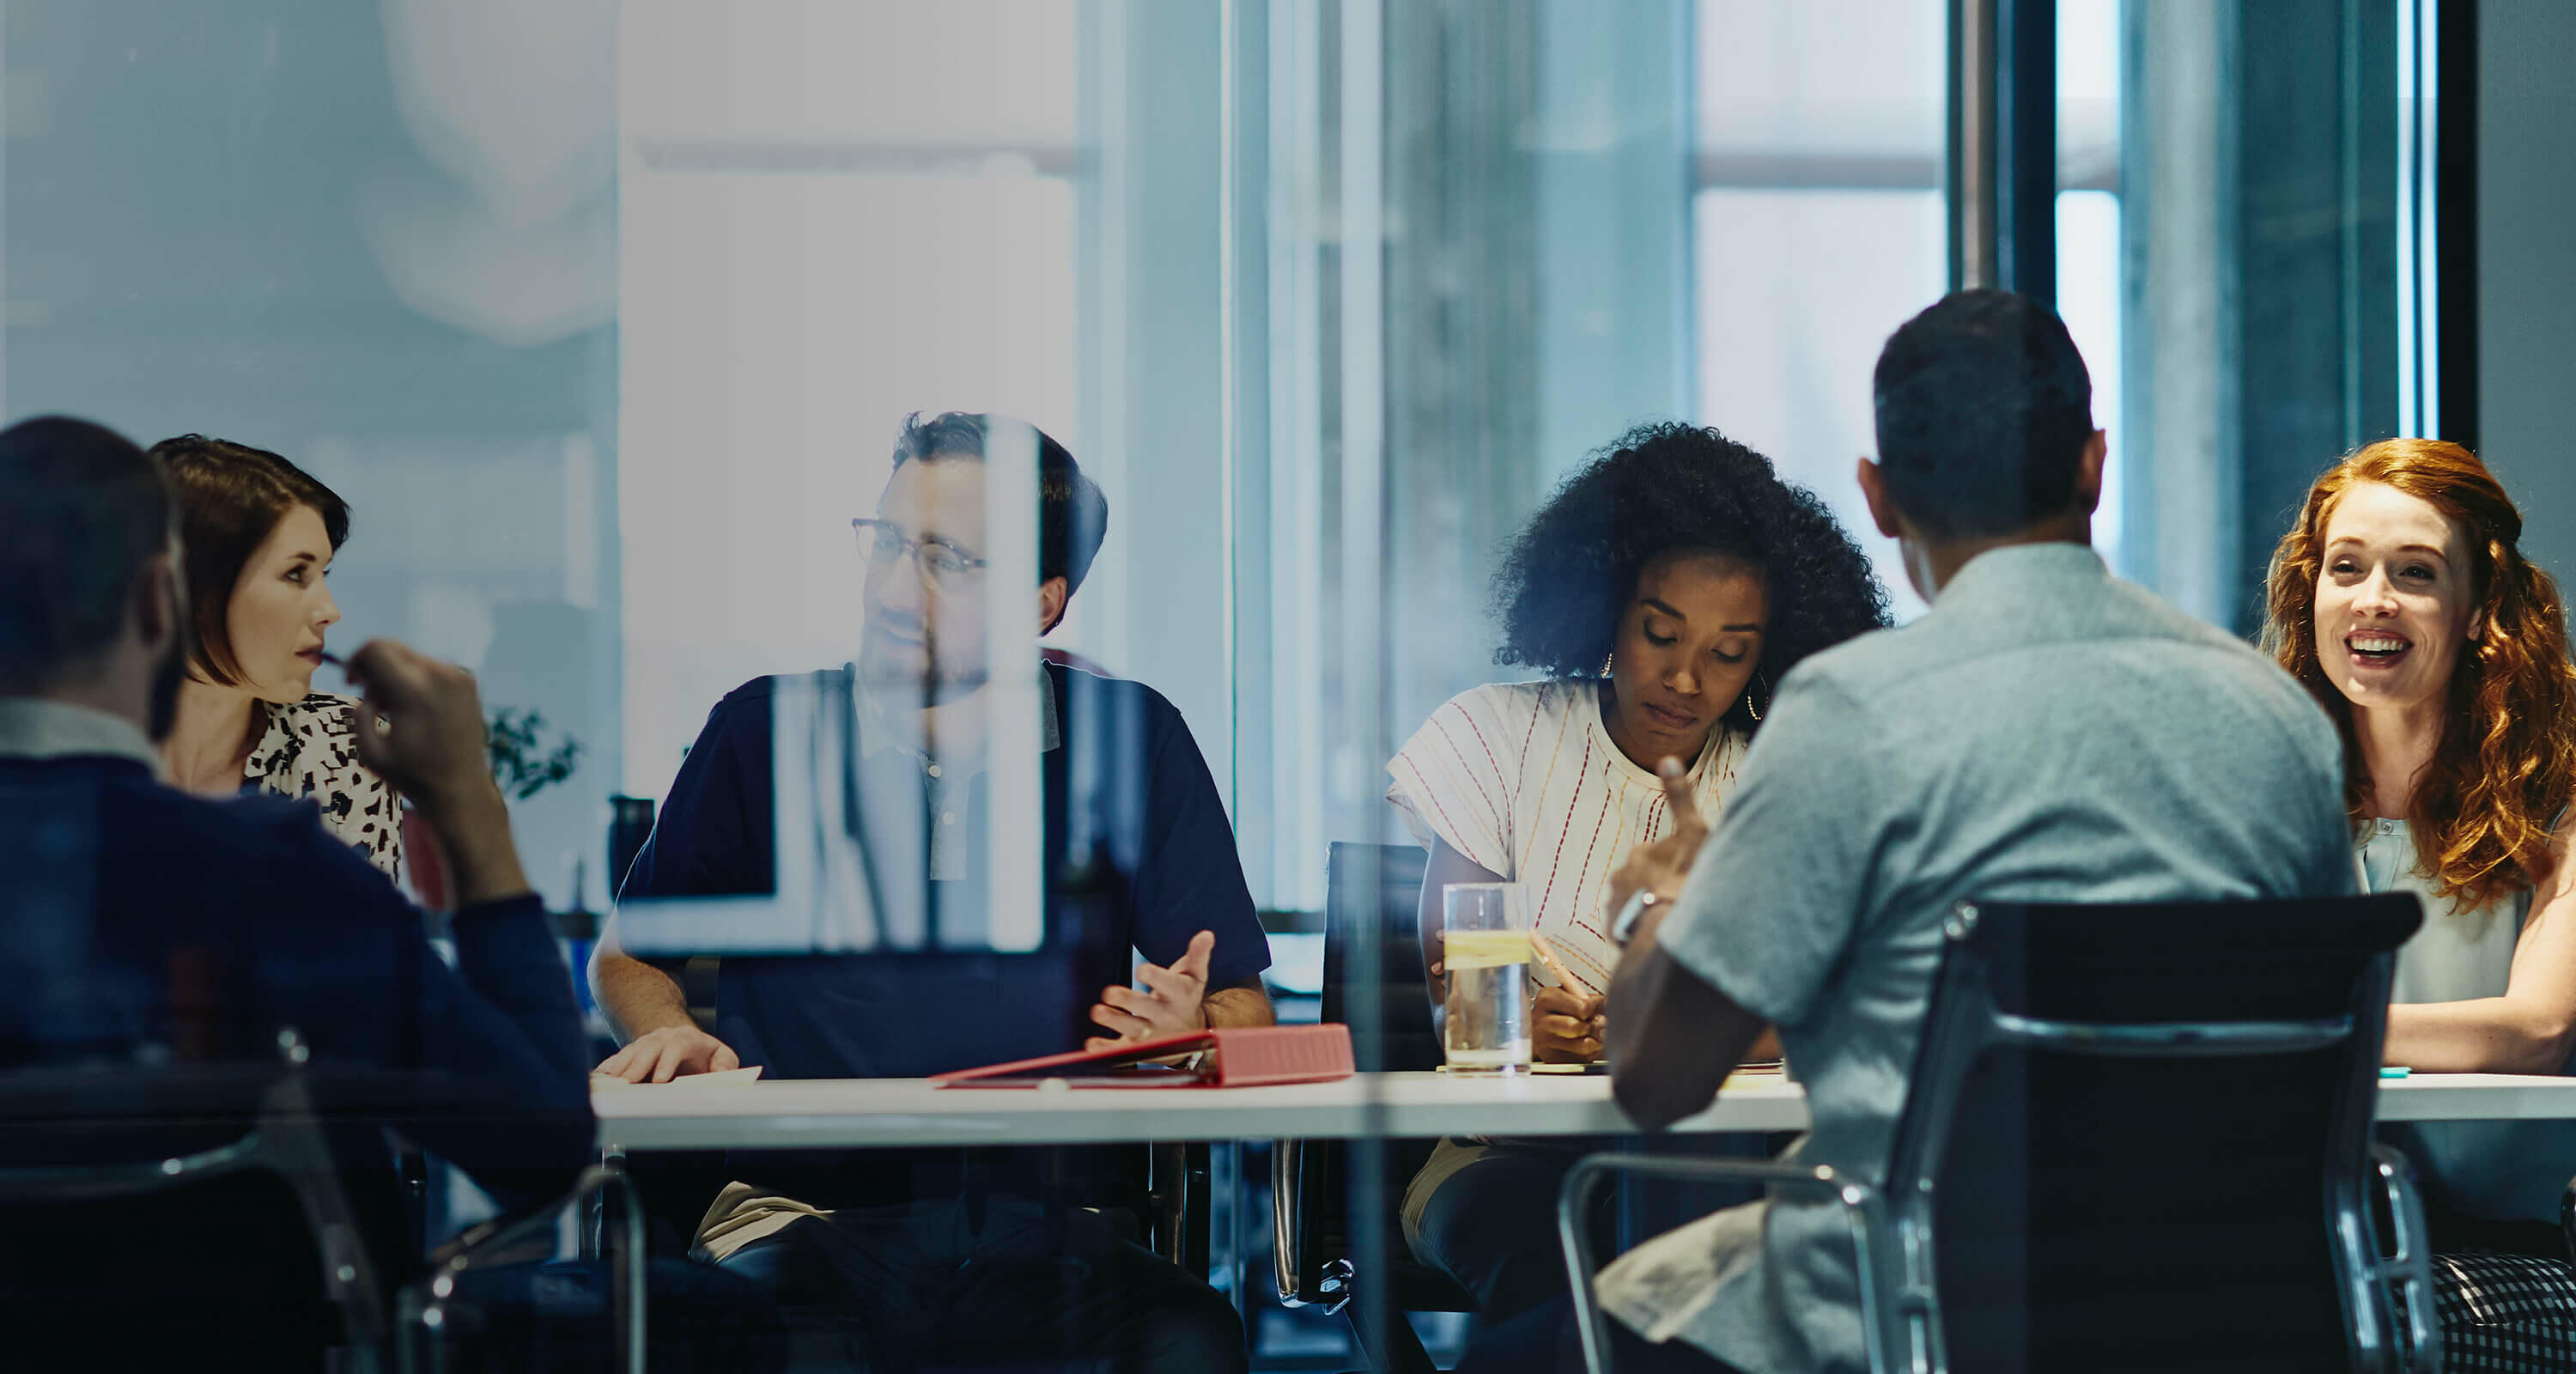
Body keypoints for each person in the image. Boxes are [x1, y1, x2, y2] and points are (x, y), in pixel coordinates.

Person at [1453, 290, 2355, 1374]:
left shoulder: (1853, 713)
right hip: (2224, 1318)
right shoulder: (2279, 722)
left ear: (1879, 500)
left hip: (1919, 1309)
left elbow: (1653, 1076)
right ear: (2095, 465)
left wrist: (1663, 902)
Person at [588, 411, 1269, 1372]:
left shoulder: (1131, 738)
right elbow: (628, 952)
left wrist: (1193, 1033)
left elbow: (1245, 1003)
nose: (892, 590)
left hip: (1055, 1225)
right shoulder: (763, 731)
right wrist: (662, 1027)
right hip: (800, 1215)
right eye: (888, 542)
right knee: (772, 1349)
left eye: (946, 558)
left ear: (1042, 602)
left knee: (1189, 1346)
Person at [0, 416, 592, 1358]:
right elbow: (540, 1148)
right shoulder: (272, 869)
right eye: (298, 574)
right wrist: (469, 808)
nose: (330, 611)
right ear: (163, 599)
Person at [1387, 422, 1888, 1328]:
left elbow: (1823, 1008)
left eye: (1729, 652)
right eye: (1661, 633)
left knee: (1744, 1275)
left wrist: (1663, 1034)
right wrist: (1524, 1026)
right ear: (1605, 606)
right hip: (1503, 1152)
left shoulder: (1785, 773)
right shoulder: (1491, 738)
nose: (1687, 679)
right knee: (1557, 1282)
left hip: (1723, 1151)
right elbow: (1455, 984)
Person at [2260, 439, 2576, 1361]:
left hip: (2508, 1249)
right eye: (2347, 568)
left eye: (2416, 572)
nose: (2373, 600)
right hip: (2311, 1239)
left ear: (2479, 609)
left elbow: (2539, 1027)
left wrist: (2320, 1020)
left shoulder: (2557, 799)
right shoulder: (2276, 798)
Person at [149, 434, 403, 881]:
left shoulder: (348, 747)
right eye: (295, 574)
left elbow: (365, 948)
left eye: (322, 575)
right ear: (191, 585)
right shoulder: (43, 757)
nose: (329, 611)